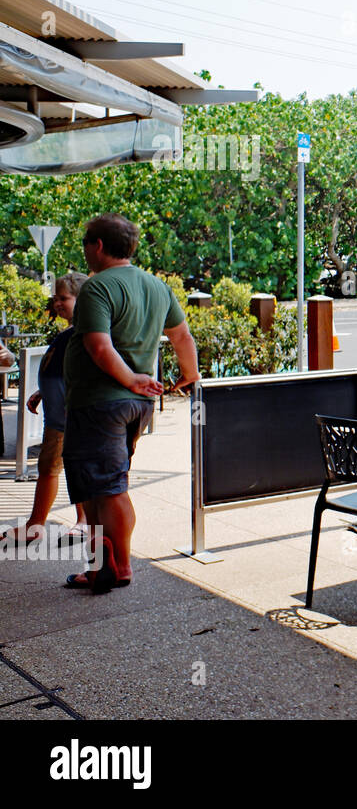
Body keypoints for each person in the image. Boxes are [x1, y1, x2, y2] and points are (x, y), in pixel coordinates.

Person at [61, 214, 200, 593]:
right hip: (135, 405)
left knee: (109, 487)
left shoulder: (97, 287)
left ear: (98, 246)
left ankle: (117, 567)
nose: (85, 250)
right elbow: (182, 337)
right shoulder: (156, 286)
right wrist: (189, 375)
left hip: (101, 402)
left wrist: (130, 378)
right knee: (102, 485)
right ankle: (102, 564)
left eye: (86, 243)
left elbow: (98, 346)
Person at [8, 274, 90, 544]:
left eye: (63, 298)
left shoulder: (88, 334)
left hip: (72, 414)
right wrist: (43, 391)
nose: (57, 303)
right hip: (57, 414)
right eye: (55, 298)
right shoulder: (70, 333)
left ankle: (84, 520)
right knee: (48, 466)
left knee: (77, 468)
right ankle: (36, 524)